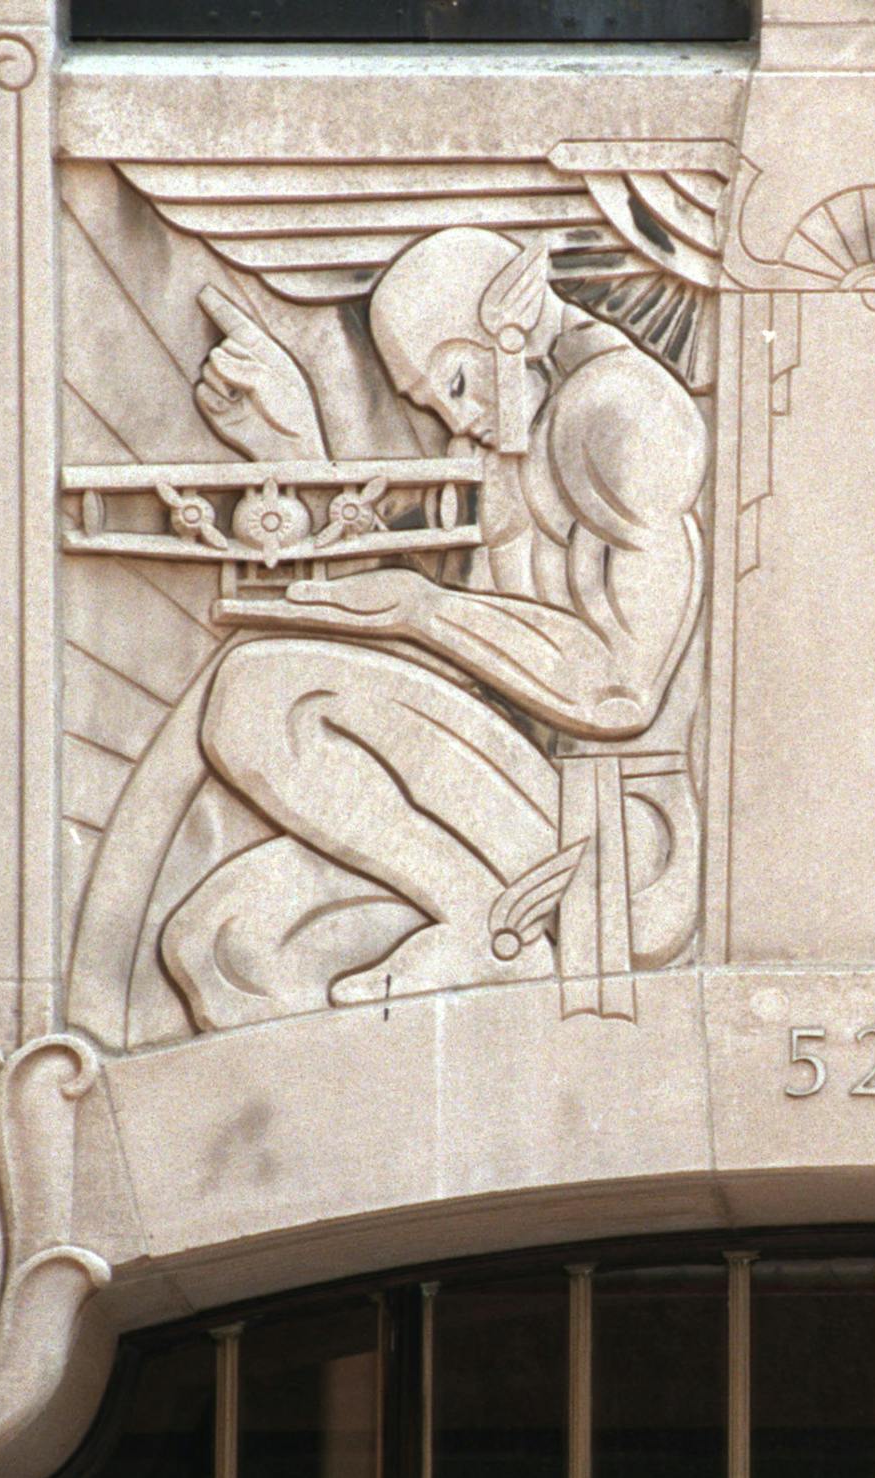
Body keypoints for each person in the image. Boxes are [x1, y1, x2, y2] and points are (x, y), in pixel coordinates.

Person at [163, 228, 706, 1021]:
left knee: (256, 696)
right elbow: (436, 667)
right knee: (221, 945)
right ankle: (489, 929)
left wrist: (424, 610)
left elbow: (621, 689)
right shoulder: (505, 432)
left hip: (621, 841)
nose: (461, 417)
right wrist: (290, 440)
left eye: (457, 380)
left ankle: (489, 935)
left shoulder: (623, 410)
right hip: (507, 806)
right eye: (435, 402)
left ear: (510, 319)